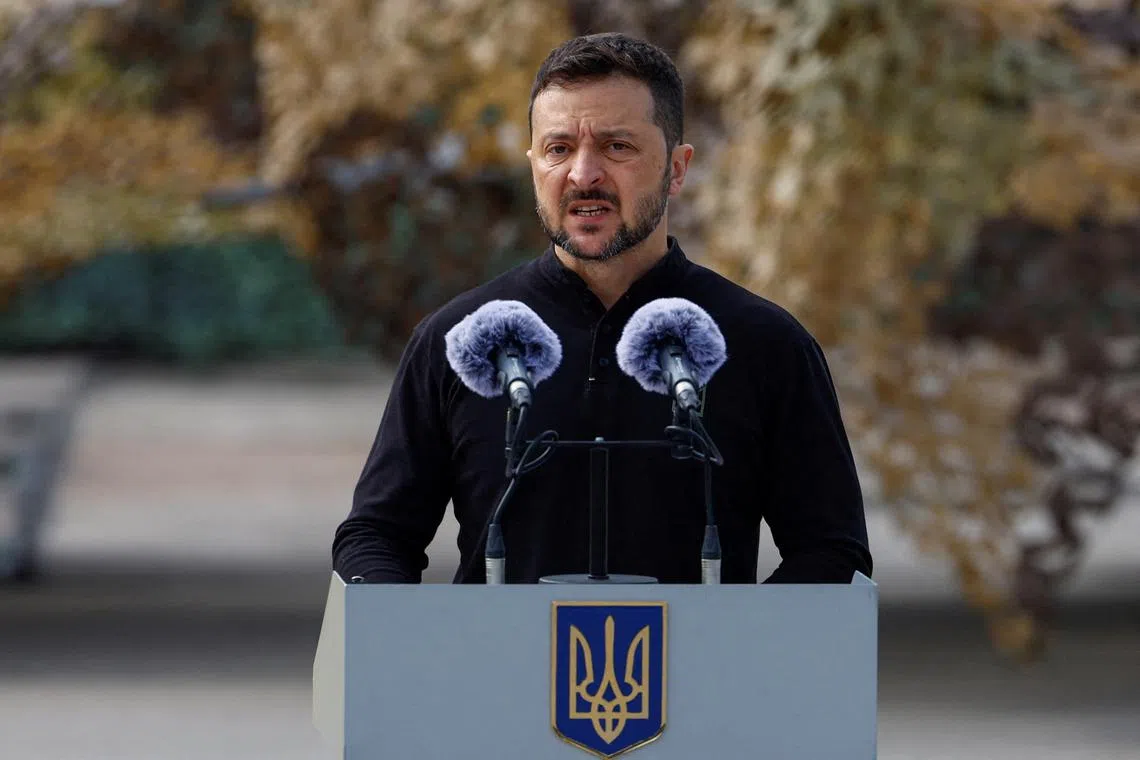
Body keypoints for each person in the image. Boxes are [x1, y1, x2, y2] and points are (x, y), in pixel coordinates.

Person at [332, 32, 872, 585]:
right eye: (558, 148)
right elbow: (375, 535)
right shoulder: (458, 339)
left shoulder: (766, 344)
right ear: (533, 165)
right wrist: (418, 650)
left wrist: (733, 654)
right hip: (494, 673)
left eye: (617, 147)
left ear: (677, 169)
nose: (583, 175)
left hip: (706, 674)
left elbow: (831, 551)